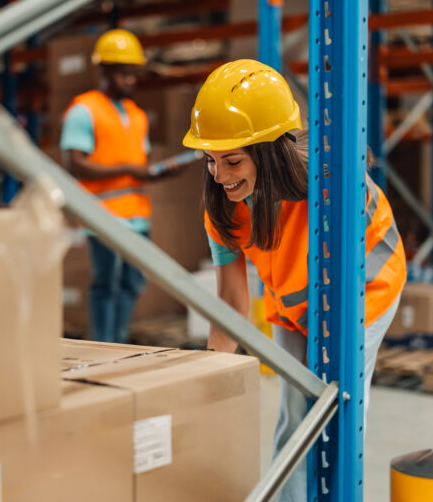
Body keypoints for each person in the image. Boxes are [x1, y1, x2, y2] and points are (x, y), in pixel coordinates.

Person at [182, 59, 407, 500]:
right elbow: (230, 298)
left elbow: (346, 272)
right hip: (292, 303)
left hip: (364, 292)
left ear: (268, 152)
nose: (220, 176)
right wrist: (213, 375)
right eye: (210, 161)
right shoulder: (222, 208)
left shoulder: (331, 181)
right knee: (294, 411)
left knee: (336, 410)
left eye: (232, 161)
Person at [60, 29, 166, 344]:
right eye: (123, 74)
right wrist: (129, 169)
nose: (130, 81)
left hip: (136, 214)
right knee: (108, 282)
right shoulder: (84, 110)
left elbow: (138, 162)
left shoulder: (137, 115)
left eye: (133, 74)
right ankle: (106, 345)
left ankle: (117, 340)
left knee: (133, 281)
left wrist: (149, 172)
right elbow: (73, 162)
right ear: (104, 70)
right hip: (102, 213)